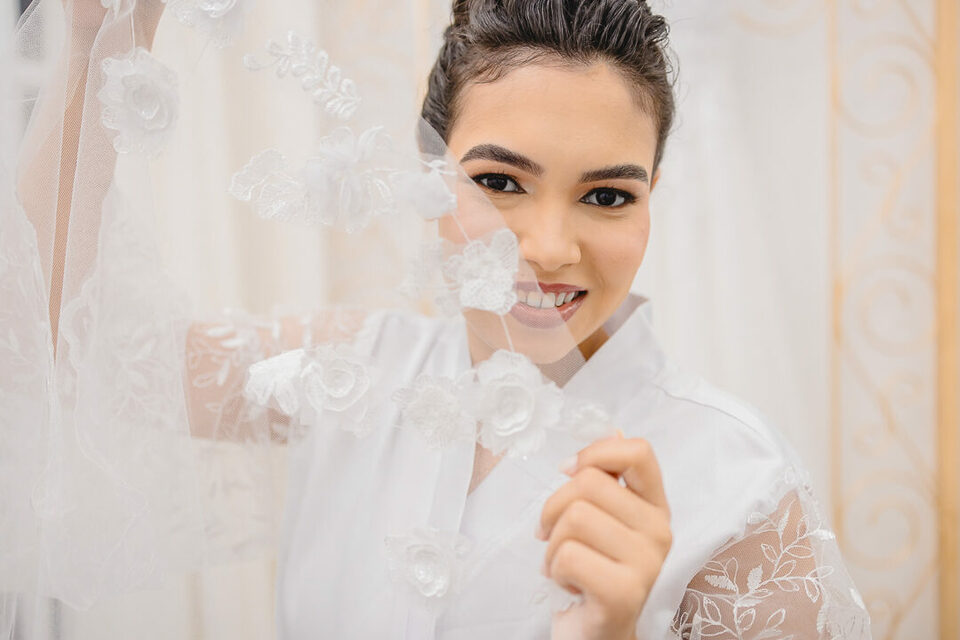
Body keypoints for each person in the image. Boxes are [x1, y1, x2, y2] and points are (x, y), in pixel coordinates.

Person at [0, 0, 872, 638]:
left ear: (652, 196)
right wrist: (90, 39)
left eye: (607, 195)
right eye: (498, 182)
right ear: (430, 173)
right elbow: (62, 348)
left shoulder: (740, 487)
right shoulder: (351, 372)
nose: (549, 247)